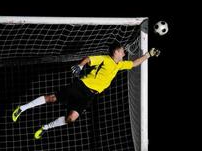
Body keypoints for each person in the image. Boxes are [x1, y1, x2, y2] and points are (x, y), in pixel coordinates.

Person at [12, 42, 160, 139]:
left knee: (71, 119)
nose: (124, 53)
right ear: (115, 52)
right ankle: (22, 108)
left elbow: (134, 63)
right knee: (52, 98)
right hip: (80, 86)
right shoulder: (104, 59)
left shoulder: (119, 65)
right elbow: (88, 58)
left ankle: (45, 127)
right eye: (122, 51)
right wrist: (81, 66)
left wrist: (148, 55)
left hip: (89, 95)